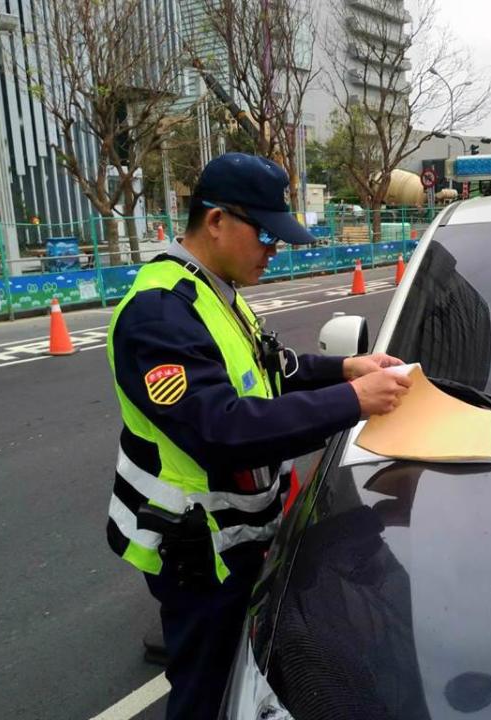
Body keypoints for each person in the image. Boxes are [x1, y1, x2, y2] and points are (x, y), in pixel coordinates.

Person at [104, 152, 411, 719]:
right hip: (199, 550)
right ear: (216, 221)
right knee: (207, 690)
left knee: (245, 676)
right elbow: (221, 428)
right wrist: (353, 401)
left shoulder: (213, 289)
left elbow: (266, 369)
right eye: (265, 235)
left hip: (243, 533)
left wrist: (345, 369)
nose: (274, 250)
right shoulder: (159, 315)